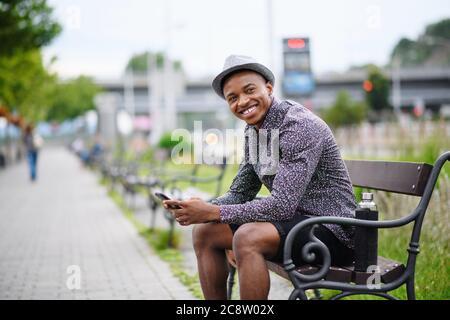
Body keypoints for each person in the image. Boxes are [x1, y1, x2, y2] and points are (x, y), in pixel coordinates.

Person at [163, 55, 356, 300]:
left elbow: (282, 205)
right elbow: (240, 193)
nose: (242, 102)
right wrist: (201, 209)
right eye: (232, 98)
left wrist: (214, 212)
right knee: (205, 232)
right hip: (295, 224)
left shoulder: (298, 126)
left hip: (334, 232)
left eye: (249, 90)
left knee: (247, 237)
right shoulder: (253, 132)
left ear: (269, 88)